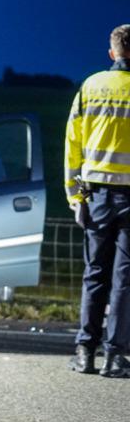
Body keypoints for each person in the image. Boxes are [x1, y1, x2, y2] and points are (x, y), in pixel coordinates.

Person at [65, 24, 130, 378]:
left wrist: (75, 197)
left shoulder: (91, 87)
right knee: (124, 280)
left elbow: (72, 146)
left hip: (97, 195)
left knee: (95, 274)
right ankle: (116, 356)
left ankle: (85, 351)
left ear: (112, 53)